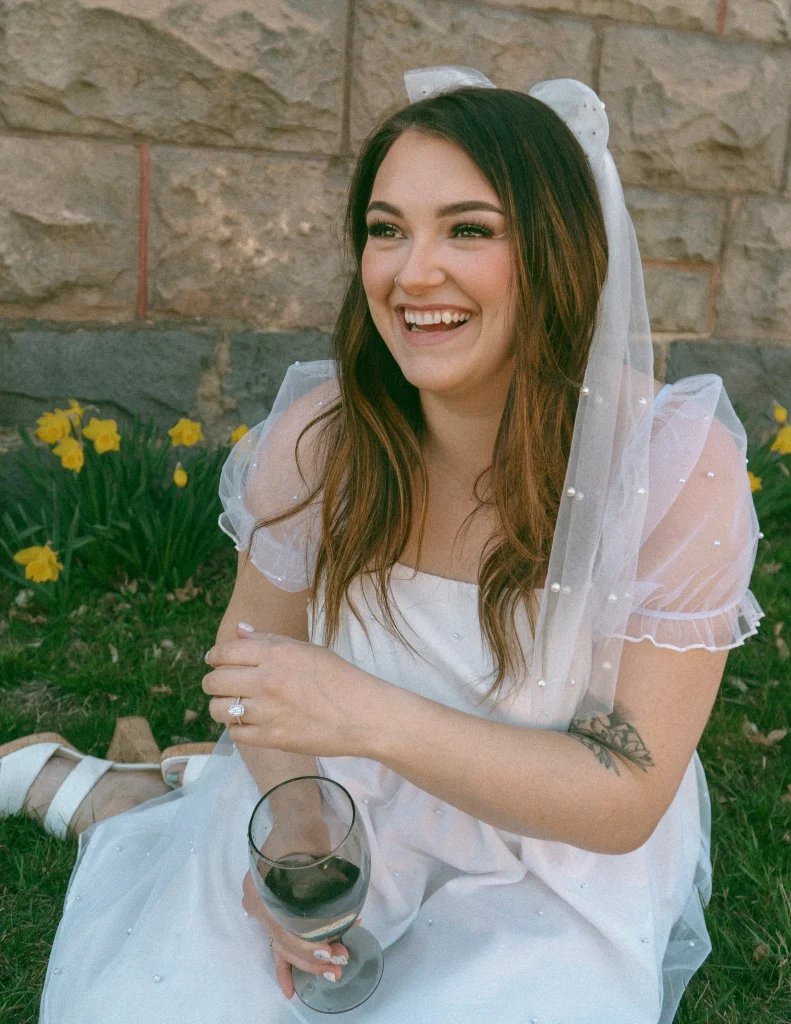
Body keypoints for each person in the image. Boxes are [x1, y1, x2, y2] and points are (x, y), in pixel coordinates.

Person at [0, 69, 764, 1024]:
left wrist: (366, 712)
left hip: (550, 851)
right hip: (342, 804)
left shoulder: (674, 469)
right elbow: (251, 671)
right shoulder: (321, 440)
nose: (410, 273)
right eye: (386, 228)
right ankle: (137, 803)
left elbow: (623, 798)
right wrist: (298, 827)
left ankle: (141, 792)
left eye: (469, 229)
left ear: (559, 255)